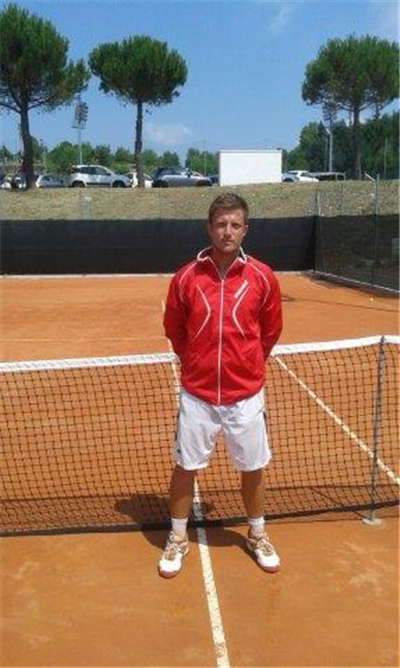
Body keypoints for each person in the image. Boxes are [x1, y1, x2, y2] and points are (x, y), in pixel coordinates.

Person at [159, 192, 282, 578]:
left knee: (253, 467)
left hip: (245, 395)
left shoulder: (263, 277)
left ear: (246, 229)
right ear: (209, 228)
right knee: (186, 466)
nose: (228, 231)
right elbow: (174, 328)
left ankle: (257, 534)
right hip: (197, 395)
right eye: (221, 224)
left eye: (235, 225)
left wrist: (248, 365)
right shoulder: (186, 277)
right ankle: (178, 537)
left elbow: (271, 330)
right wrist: (194, 361)